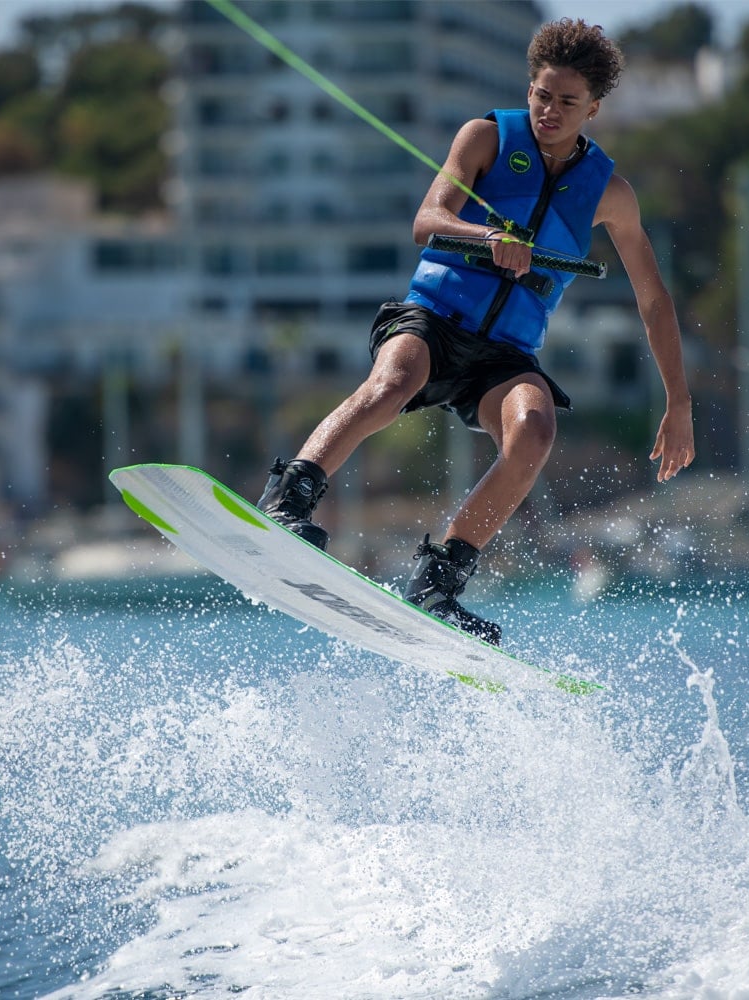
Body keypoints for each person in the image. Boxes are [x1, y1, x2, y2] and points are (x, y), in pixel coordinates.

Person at [257, 18, 695, 647]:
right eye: (542, 95)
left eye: (567, 102)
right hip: (433, 317)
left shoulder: (611, 194)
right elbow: (427, 219)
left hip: (506, 354)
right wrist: (489, 237)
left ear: (593, 108)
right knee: (393, 382)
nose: (548, 111)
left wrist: (679, 401)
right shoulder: (486, 137)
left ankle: (438, 581)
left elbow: (654, 301)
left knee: (535, 430)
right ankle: (289, 498)